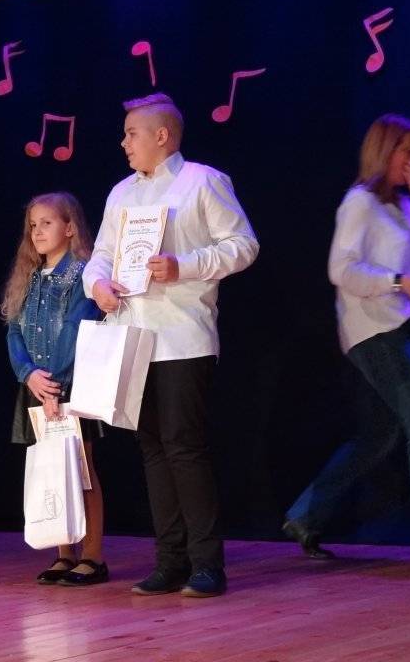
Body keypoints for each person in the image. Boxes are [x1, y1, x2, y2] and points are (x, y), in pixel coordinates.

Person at [282, 114, 410, 567]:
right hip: (374, 331)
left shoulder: (404, 206)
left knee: (380, 435)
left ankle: (305, 515)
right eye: (408, 152)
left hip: (398, 326)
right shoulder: (359, 202)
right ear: (385, 152)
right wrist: (398, 282)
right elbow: (341, 270)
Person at [83, 93, 259, 597]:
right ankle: (170, 561)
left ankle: (207, 564)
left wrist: (185, 265)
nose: (123, 143)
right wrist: (97, 285)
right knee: (153, 448)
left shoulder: (203, 181)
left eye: (131, 133)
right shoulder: (121, 194)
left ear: (162, 136)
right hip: (133, 335)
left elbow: (243, 245)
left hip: (182, 335)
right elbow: (101, 255)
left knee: (184, 447)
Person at [3, 191, 108, 585]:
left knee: (81, 470)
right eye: (33, 225)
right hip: (36, 386)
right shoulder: (29, 277)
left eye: (47, 223)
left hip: (68, 385)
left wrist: (56, 385)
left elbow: (78, 329)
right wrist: (28, 373)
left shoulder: (81, 275)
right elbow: (14, 331)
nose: (37, 231)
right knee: (52, 470)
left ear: (69, 227)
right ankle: (64, 553)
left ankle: (93, 556)